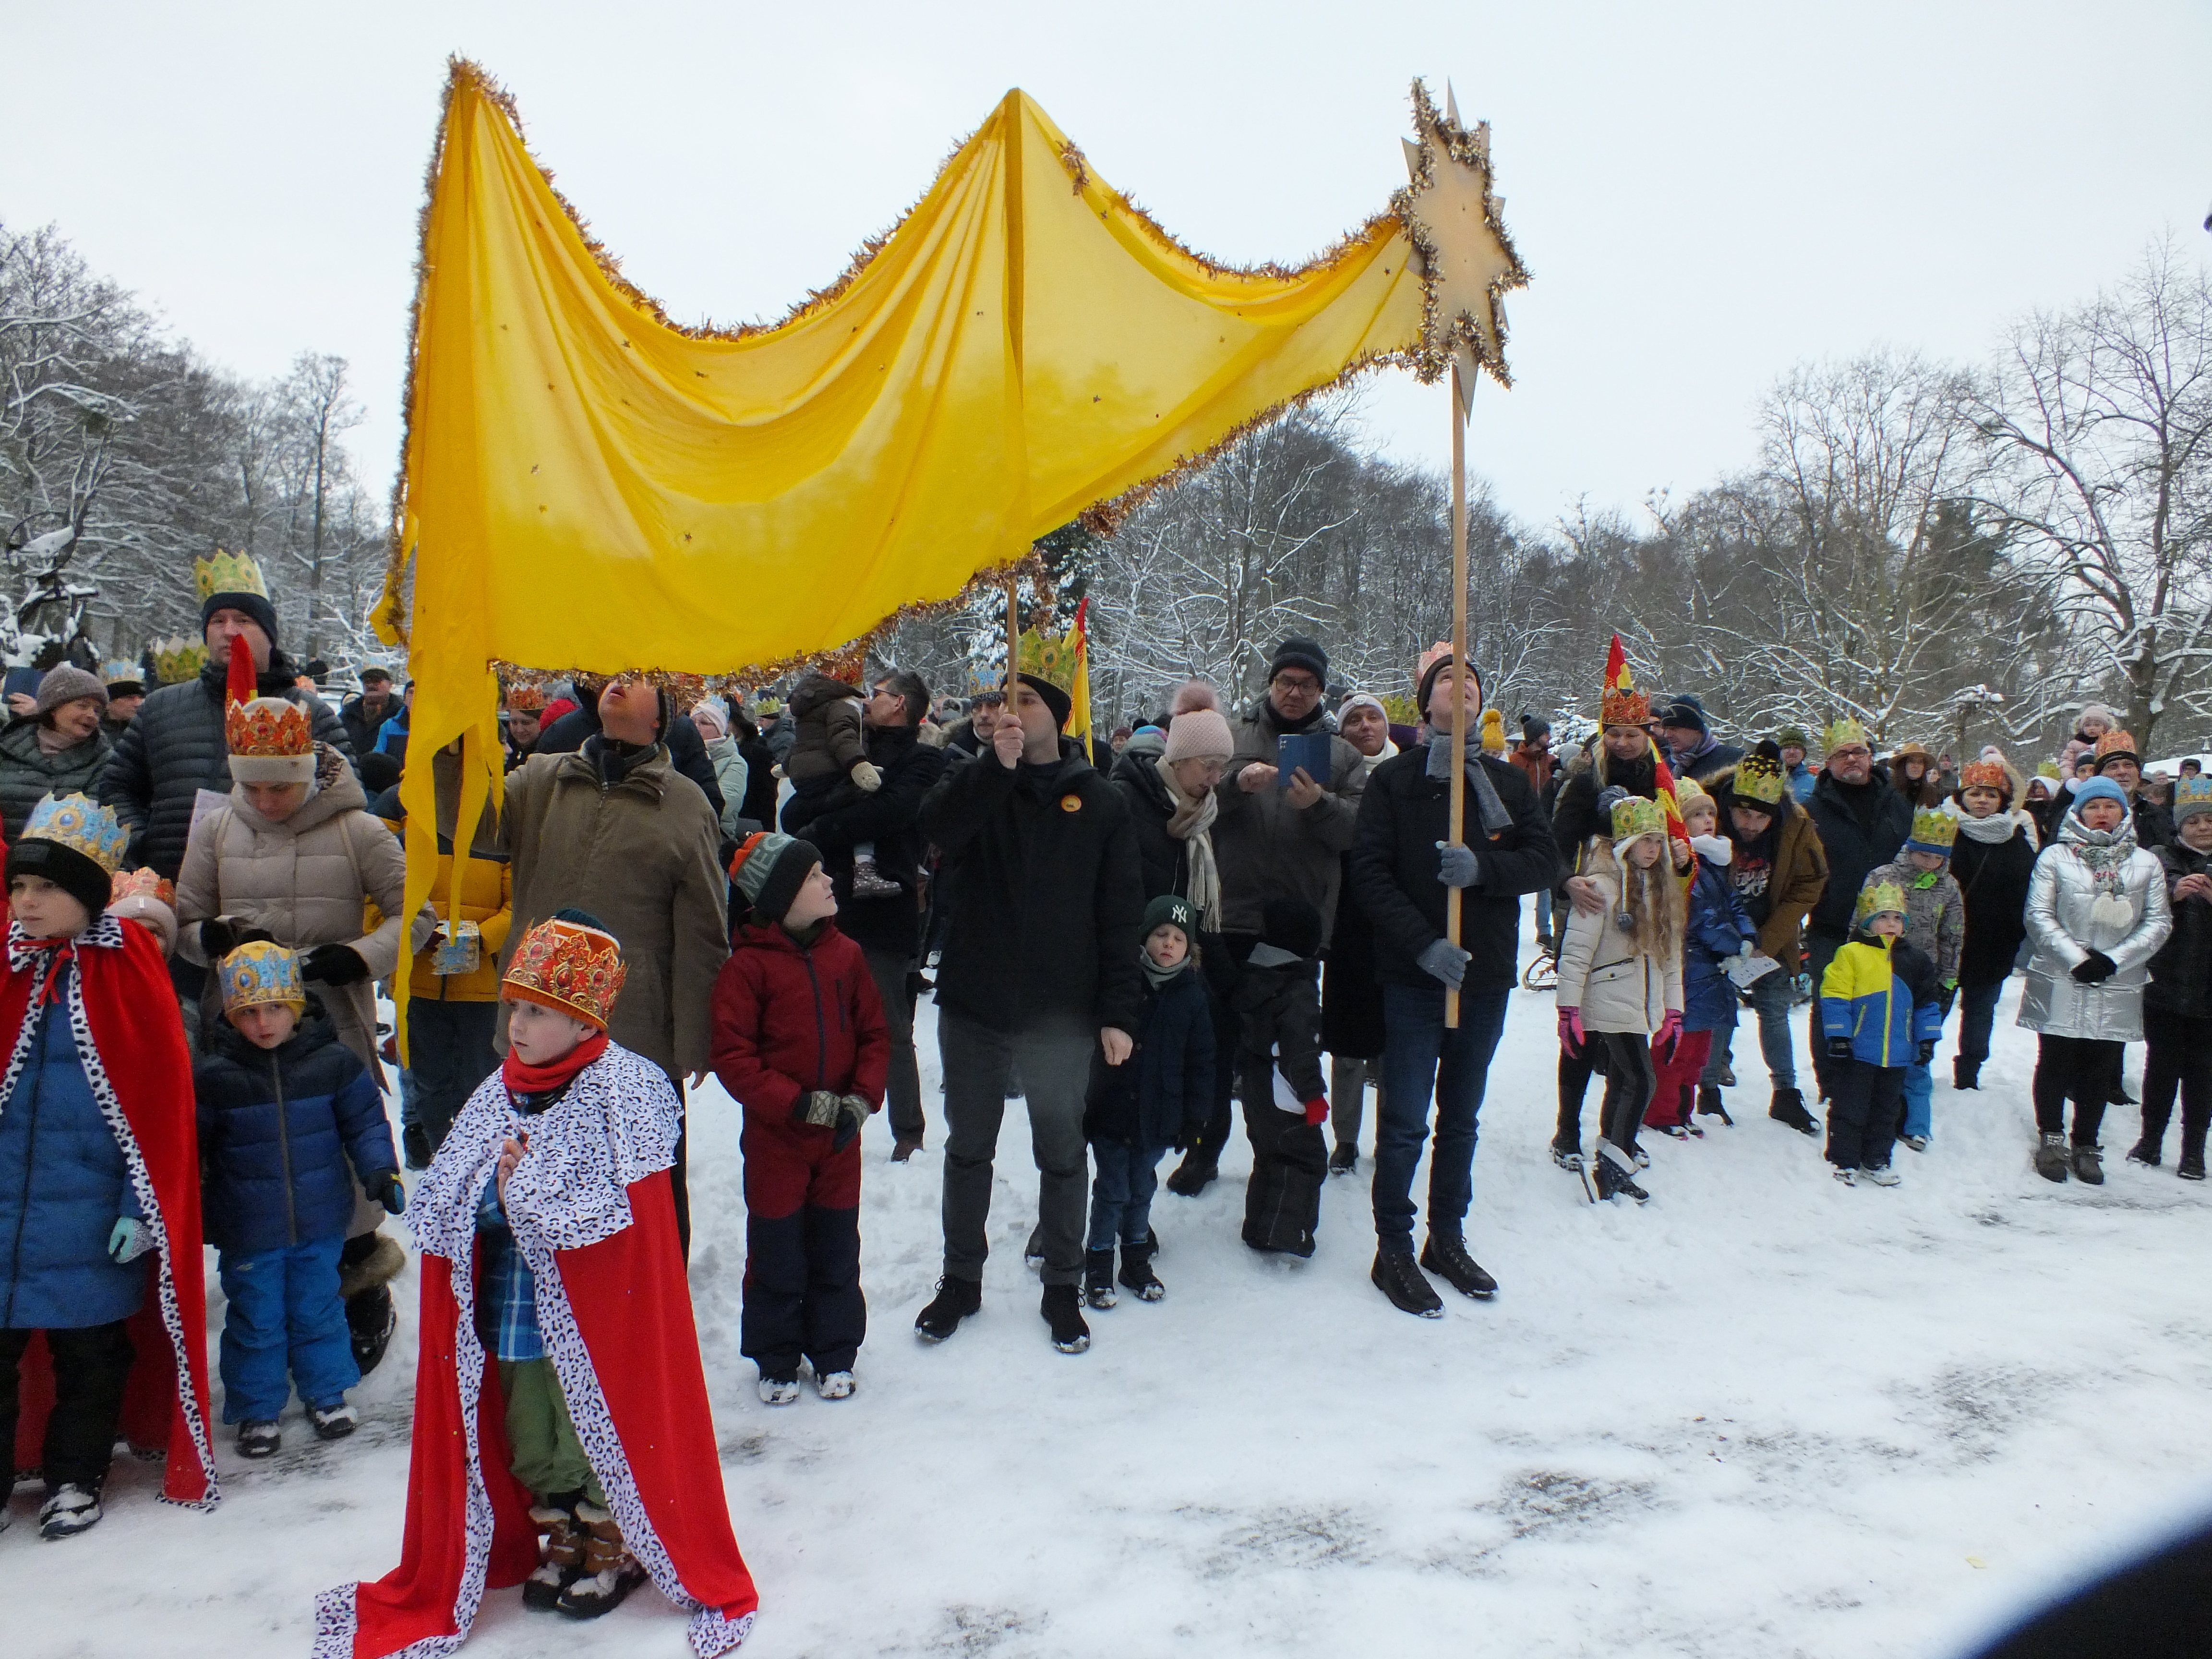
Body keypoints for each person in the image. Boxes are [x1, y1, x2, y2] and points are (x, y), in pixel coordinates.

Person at [319, 913, 759, 1647]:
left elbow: (622, 1218)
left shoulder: (630, 1090)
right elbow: (445, 1198)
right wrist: (496, 1192)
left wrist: (533, 1190)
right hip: (510, 1308)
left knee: (596, 1431)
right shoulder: (499, 1091)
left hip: (598, 1324)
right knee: (532, 1435)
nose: (518, 1026)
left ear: (586, 1022)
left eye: (539, 1013)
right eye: (515, 1007)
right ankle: (559, 1533)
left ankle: (609, 1538)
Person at [175, 666, 425, 1373]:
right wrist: (211, 939)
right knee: (257, 1160)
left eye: (278, 786)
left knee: (337, 1158)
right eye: (252, 786)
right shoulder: (219, 827)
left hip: (330, 1025)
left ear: (308, 771)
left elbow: (419, 916)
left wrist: (360, 956)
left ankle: (359, 1288)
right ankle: (266, 1302)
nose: (265, 799)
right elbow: (187, 920)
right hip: (241, 1030)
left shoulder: (361, 830)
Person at [0, 793, 217, 1537]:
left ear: (86, 896)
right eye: (19, 888)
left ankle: (74, 1474)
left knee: (90, 1362)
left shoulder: (128, 971)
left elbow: (159, 1106)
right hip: (4, 1219)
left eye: (46, 889)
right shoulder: (8, 965)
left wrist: (139, 1204)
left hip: (91, 1223)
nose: (26, 903)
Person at [912, 660, 1142, 1357]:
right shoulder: (975, 781)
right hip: (976, 1001)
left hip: (1061, 1011)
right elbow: (940, 832)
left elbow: (1120, 915)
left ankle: (1063, 1287)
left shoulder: (1102, 801)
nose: (1003, 711)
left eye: (1022, 701)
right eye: (995, 702)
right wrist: (994, 769)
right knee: (968, 1149)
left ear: (1057, 716)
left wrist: (1117, 1012)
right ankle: (960, 1279)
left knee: (1062, 1152)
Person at [1351, 652, 1561, 1315]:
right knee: (1407, 1120)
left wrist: (1483, 873)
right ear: (1426, 702)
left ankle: (1446, 1236)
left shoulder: (1509, 783)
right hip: (1416, 977)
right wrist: (1423, 944)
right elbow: (1371, 875)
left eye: (1469, 681)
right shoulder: (1395, 781)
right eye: (1446, 680)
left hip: (1486, 973)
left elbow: (1545, 860)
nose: (1459, 687)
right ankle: (1393, 1248)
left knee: (1461, 1119)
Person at [503, 675, 729, 1254]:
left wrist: (694, 1039)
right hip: (538, 1024)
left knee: (644, 1178)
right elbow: (465, 820)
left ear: (663, 719)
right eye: (614, 675)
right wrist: (456, 737)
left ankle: (656, 1295)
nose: (619, 683)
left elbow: (702, 930)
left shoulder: (684, 802)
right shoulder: (542, 779)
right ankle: (552, 1292)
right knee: (538, 1166)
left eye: (642, 679)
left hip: (633, 1033)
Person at [1166, 637, 1366, 1196]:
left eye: (1307, 684)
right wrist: (1234, 785)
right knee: (1215, 1042)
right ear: (1270, 684)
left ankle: (1277, 1163)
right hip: (1227, 915)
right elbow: (1193, 804)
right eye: (1286, 682)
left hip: (1297, 926)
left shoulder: (1342, 753)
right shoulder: (1235, 737)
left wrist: (1319, 806)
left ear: (1322, 691)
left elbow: (1359, 833)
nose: (1295, 692)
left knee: (1282, 1050)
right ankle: (1203, 1152)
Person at [194, 941, 402, 1458]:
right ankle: (257, 1407)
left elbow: (366, 1122)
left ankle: (327, 1392)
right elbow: (189, 1146)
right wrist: (189, 1203)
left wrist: (379, 1170)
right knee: (256, 1317)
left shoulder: (333, 1064)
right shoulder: (215, 1077)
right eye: (248, 1013)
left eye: (274, 1010)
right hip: (248, 1227)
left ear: (297, 1008)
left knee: (318, 1308)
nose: (262, 1024)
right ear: (231, 1014)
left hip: (319, 1219)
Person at [712, 833, 888, 1404]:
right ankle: (777, 1357)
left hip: (839, 1138)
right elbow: (734, 1058)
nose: (829, 881)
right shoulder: (748, 970)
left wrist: (861, 1098)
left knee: (837, 1247)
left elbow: (875, 1036)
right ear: (782, 896)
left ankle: (835, 1351)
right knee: (778, 1252)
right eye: (814, 876)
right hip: (777, 1140)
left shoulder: (847, 956)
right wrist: (794, 1102)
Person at [99, 551, 352, 893]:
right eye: (218, 620)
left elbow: (342, 800)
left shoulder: (310, 714)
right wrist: (145, 841)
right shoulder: (161, 708)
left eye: (243, 620)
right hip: (168, 884)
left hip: (273, 893)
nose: (229, 631)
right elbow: (117, 787)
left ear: (269, 632)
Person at [781, 669, 947, 1160]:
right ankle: (823, 1116)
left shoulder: (923, 759)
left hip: (883, 907)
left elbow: (892, 812)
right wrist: (849, 797)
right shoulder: (846, 743)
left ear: (899, 704)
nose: (867, 700)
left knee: (889, 1024)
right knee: (819, 1021)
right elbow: (794, 814)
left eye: (877, 694)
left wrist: (825, 823)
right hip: (826, 903)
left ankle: (909, 1131)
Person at [1550, 643, 1695, 1161]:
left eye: (1633, 733)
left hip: (1645, 900)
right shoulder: (1587, 777)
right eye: (1615, 733)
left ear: (1647, 734)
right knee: (1586, 1029)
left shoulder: (1662, 780)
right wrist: (1566, 884)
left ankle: (1617, 1135)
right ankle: (1567, 1129)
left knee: (1627, 1021)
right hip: (1593, 894)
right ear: (1604, 734)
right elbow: (1556, 841)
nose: (1624, 742)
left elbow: (1674, 846)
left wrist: (1678, 860)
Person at [2018, 777, 2173, 1185]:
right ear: (2079, 813)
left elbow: (2158, 922)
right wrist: (2076, 959)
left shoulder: (2146, 863)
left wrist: (2113, 960)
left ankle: (2086, 1142)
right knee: (2055, 1059)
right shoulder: (2056, 858)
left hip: (2118, 979)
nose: (2102, 814)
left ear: (2124, 812)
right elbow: (2038, 915)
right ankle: (2052, 1137)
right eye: (2094, 807)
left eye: (2111, 806)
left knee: (2099, 1066)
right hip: (2062, 973)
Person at [1552, 793, 1685, 1202]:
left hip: (1640, 1002)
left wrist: (1675, 1010)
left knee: (1628, 1079)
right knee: (1638, 1079)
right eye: (1645, 840)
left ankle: (1613, 1151)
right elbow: (1576, 952)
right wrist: (1568, 1007)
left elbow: (1670, 956)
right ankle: (1614, 1160)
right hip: (1609, 995)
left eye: (1658, 841)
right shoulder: (1601, 888)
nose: (1653, 848)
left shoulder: (1660, 890)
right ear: (1626, 843)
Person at [382, 743, 513, 1156]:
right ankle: (443, 1161)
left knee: (481, 1076)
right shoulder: (404, 833)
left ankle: (482, 1166)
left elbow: (519, 903)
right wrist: (413, 935)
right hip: (420, 982)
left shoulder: (501, 829)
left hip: (481, 984)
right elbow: (377, 899)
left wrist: (480, 937)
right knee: (428, 1079)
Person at [1082, 893, 1213, 1307]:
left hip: (1159, 1118)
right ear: (1145, 938)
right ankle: (1099, 1263)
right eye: (1161, 934)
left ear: (1188, 949)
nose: (1169, 944)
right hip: (1113, 1112)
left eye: (1178, 938)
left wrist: (1195, 1119)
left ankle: (1135, 1259)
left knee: (1141, 1189)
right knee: (1112, 1190)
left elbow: (1202, 1061)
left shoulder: (1193, 996)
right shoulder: (1125, 985)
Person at [1703, 742, 1827, 1130]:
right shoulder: (1706, 816)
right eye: (1743, 814)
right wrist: (1719, 936)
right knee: (1717, 1010)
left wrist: (1767, 941)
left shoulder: (1797, 824)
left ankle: (1786, 1093)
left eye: (1761, 818)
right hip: (1716, 933)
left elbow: (1811, 880)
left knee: (1774, 1009)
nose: (1751, 825)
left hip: (1770, 933)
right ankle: (1707, 1089)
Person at [1803, 718, 1912, 1103]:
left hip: (1887, 927)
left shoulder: (1897, 803)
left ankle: (1879, 1080)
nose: (1852, 760)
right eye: (1842, 754)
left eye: (1858, 752)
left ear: (1870, 757)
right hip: (1831, 925)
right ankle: (1832, 1084)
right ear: (1828, 763)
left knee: (1885, 1002)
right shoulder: (1811, 810)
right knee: (1831, 1002)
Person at [1644, 778, 1759, 1138]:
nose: (1708, 819)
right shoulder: (1686, 868)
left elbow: (1733, 904)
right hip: (1692, 969)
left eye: (1711, 812)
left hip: (1713, 972)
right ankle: (1660, 1113)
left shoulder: (1712, 865)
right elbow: (1701, 917)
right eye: (1697, 814)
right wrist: (1731, 945)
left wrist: (1748, 937)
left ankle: (1682, 1110)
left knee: (1698, 1051)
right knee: (1676, 1048)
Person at [1819, 880, 1943, 1187]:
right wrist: (1839, 1035)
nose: (1891, 924)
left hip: (1898, 1053)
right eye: (1883, 917)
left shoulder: (1916, 961)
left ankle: (1877, 1159)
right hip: (1859, 1050)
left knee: (1886, 1110)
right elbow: (1835, 996)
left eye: (1898, 918)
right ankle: (1844, 1159)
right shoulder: (1851, 954)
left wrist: (1926, 1039)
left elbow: (1927, 1003)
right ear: (1867, 922)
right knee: (1851, 1105)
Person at [1323, 693, 1397, 1172]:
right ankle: (1346, 1137)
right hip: (1346, 921)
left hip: (1395, 922)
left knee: (1396, 1039)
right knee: (1348, 1041)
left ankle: (1392, 1132)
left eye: (1374, 718)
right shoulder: (1327, 774)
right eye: (1355, 719)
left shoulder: (1409, 774)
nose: (1365, 726)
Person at [1232, 897, 1331, 1256]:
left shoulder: (1256, 975)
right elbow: (1300, 1052)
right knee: (1304, 1160)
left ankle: (1259, 1226)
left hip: (1256, 1088)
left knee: (1269, 1156)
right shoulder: (1297, 990)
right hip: (1285, 1091)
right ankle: (1285, 1233)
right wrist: (1314, 1096)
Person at [1863, 808, 1964, 1152]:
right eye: (1924, 854)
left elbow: (1952, 936)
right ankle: (1877, 1116)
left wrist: (1948, 981)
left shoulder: (1949, 888)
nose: (1930, 862)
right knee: (1879, 1052)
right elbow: (1859, 922)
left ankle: (1916, 1122)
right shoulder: (1882, 877)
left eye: (1938, 858)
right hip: (1879, 975)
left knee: (1918, 1056)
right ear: (1910, 848)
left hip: (1922, 980)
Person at [2130, 775, 2212, 1178]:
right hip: (2164, 982)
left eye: (2209, 821)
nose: (2202, 828)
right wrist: (2174, 894)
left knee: (2203, 1071)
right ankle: (2150, 1140)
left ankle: (2194, 1148)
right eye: (2194, 821)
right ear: (2180, 824)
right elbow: (2138, 901)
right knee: (2160, 1066)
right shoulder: (2160, 856)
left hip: (2209, 993)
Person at [1948, 757, 2039, 1091]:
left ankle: (1969, 1073)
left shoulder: (2015, 837)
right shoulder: (1946, 831)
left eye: (1991, 794)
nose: (1983, 800)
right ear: (1963, 798)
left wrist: (2015, 934)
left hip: (1994, 942)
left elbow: (2029, 887)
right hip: (1949, 940)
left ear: (2002, 800)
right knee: (1933, 1010)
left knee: (1980, 1011)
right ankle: (1916, 1070)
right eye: (1976, 794)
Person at [534, 674, 726, 818]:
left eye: (639, 677)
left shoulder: (681, 734)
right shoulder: (557, 740)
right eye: (612, 671)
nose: (621, 681)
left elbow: (709, 811)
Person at [0, 664, 113, 842]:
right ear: (54, 708)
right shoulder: (6, 748)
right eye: (82, 706)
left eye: (97, 710)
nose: (92, 715)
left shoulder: (103, 760)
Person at [1508, 714, 1559, 950]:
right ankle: (1512, 923)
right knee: (1516, 876)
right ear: (1535, 737)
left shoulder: (1552, 762)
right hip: (1519, 824)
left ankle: (1545, 930)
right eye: (1545, 734)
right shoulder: (1515, 762)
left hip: (1546, 824)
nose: (1549, 738)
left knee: (1546, 877)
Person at [2090, 728, 2172, 849]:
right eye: (2113, 767)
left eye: (2128, 765)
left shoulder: (2156, 815)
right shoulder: (2082, 813)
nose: (2122, 772)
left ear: (2139, 774)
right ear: (2099, 776)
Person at [686, 697, 753, 838]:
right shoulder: (684, 753)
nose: (696, 727)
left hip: (715, 836)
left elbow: (725, 805)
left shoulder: (735, 762)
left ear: (719, 729)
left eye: (704, 723)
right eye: (693, 722)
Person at [1652, 692, 1743, 781]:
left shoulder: (1734, 760)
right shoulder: (1664, 767)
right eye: (1666, 729)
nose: (1667, 735)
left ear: (1696, 729)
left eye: (1675, 729)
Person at [339, 667, 397, 762]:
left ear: (390, 685)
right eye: (367, 682)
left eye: (377, 681)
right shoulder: (348, 713)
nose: (371, 685)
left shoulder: (400, 714)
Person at [501, 685, 546, 772]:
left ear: (541, 722)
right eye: (514, 722)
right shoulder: (504, 745)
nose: (519, 730)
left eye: (526, 723)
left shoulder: (548, 751)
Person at [1888, 741, 1943, 810]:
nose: (1916, 766)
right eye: (1911, 761)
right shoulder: (1890, 790)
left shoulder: (1932, 793)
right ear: (1903, 765)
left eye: (1920, 762)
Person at [100, 660, 146, 739]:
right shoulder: (93, 736)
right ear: (108, 703)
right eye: (130, 698)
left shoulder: (150, 731)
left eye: (141, 697)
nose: (138, 704)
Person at [1776, 726, 1817, 803]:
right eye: (1787, 748)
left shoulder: (1815, 784)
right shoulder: (1770, 780)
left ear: (1804, 753)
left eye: (1796, 748)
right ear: (1780, 752)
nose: (1792, 752)